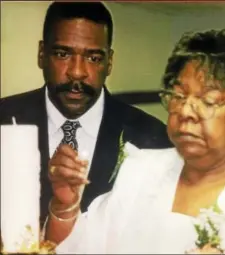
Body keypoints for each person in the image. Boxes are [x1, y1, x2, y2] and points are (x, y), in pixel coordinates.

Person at [46, 29, 225, 254]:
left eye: (208, 101)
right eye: (179, 96)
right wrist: (65, 207)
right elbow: (77, 250)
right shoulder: (140, 171)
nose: (186, 112)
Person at [0, 2, 172, 225]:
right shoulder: (4, 118)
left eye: (93, 58)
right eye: (63, 54)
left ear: (109, 62)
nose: (77, 73)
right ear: (42, 54)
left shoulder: (152, 138)